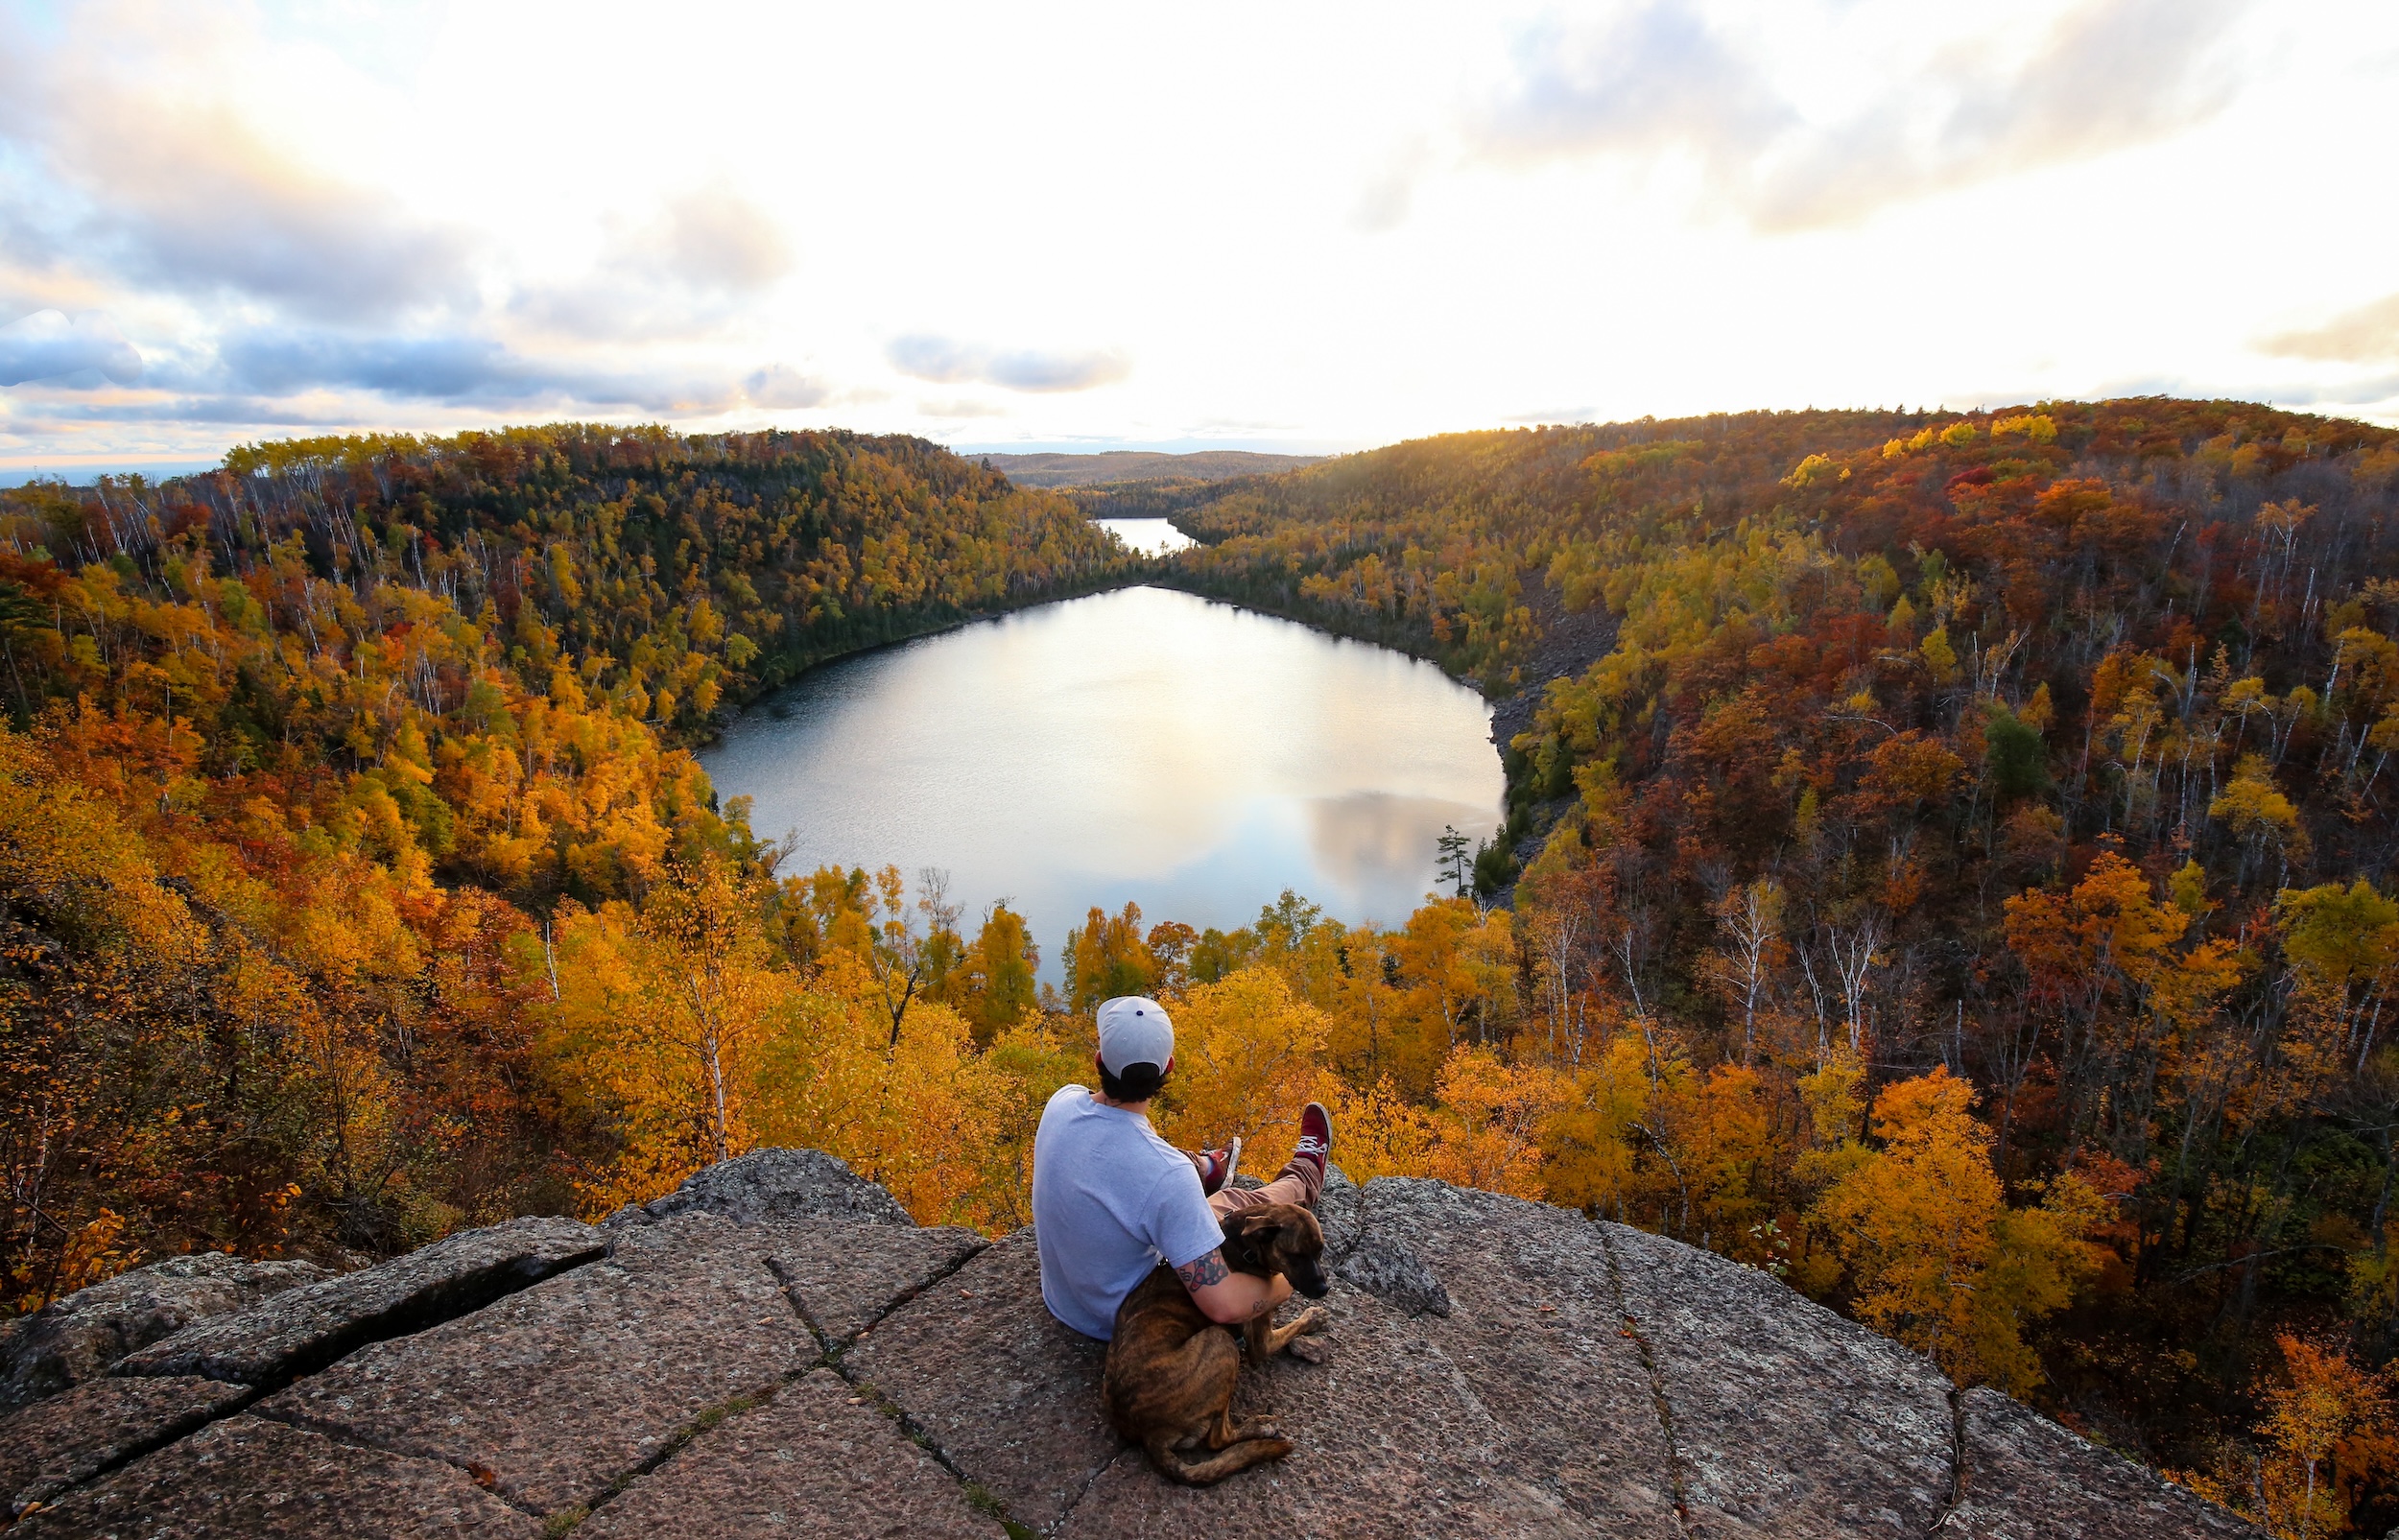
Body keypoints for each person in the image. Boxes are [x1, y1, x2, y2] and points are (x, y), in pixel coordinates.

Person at [1031, 994, 1332, 1340]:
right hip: (1130, 1322)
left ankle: (1207, 1168)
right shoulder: (1167, 1175)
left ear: (1099, 1060)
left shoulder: (1061, 1101)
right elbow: (1225, 1305)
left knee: (1208, 1192)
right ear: (1168, 1067)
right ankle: (1305, 1173)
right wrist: (1290, 1280)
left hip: (1065, 1301)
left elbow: (1122, 1147)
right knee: (1238, 1200)